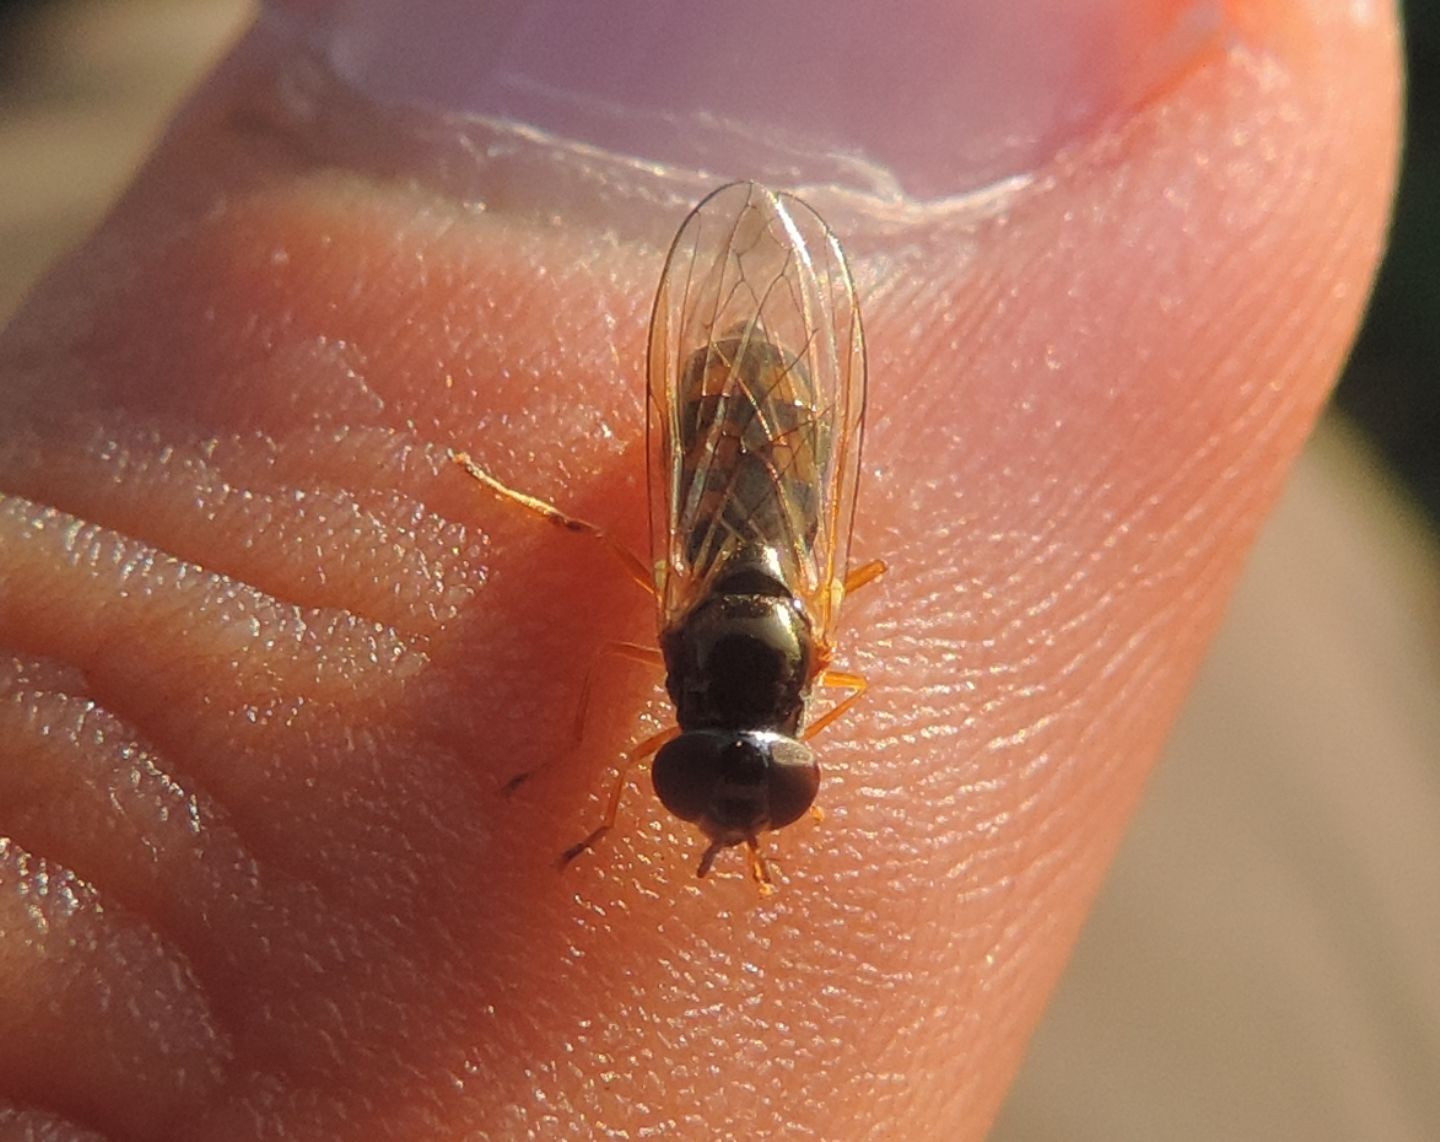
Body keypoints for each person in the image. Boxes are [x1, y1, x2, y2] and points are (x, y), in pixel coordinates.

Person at [0, 1, 1402, 1137]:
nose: (727, 804)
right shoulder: (727, 658)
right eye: (746, 789)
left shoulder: (762, 656)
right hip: (759, 444)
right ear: (786, 730)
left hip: (766, 470)